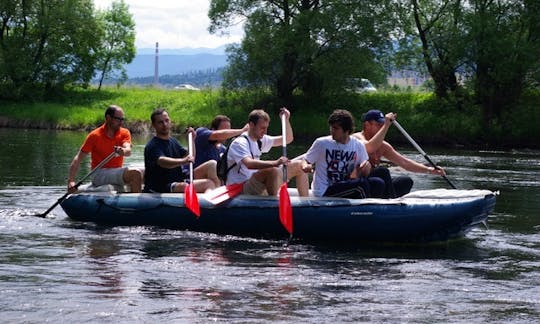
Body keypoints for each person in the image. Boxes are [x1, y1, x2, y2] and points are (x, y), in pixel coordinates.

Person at [353, 109, 447, 198]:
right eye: (379, 124)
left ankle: (390, 200)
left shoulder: (383, 145)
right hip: (361, 182)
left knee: (405, 181)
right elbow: (369, 148)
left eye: (382, 124)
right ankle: (392, 201)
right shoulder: (356, 139)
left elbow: (404, 162)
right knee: (382, 172)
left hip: (376, 184)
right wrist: (386, 125)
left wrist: (429, 170)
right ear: (367, 124)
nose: (381, 127)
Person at [301, 109, 392, 198]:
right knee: (361, 185)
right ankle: (367, 209)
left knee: (379, 179)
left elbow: (364, 169)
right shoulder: (322, 143)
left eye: (336, 128)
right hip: (326, 189)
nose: (332, 131)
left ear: (346, 130)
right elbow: (305, 160)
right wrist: (305, 166)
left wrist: (365, 167)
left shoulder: (358, 145)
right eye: (331, 127)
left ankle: (390, 205)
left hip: (346, 184)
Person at [225, 108, 309, 196]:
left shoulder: (260, 140)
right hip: (241, 187)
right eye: (262, 128)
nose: (265, 131)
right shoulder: (240, 143)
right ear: (251, 125)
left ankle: (305, 203)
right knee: (272, 171)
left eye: (266, 128)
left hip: (256, 183)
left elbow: (288, 139)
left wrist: (286, 120)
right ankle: (273, 204)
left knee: (300, 165)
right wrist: (275, 163)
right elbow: (249, 164)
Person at [68, 105, 143, 193]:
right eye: (118, 119)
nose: (121, 122)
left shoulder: (124, 132)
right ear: (108, 118)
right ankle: (137, 204)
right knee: (135, 173)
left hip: (115, 172)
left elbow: (128, 150)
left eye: (122, 119)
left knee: (145, 172)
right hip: (99, 173)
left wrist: (123, 151)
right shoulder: (94, 135)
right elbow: (78, 158)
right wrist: (71, 181)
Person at [144, 108, 218, 193]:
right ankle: (208, 204)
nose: (165, 124)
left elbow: (190, 156)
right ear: (154, 125)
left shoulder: (173, 141)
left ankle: (216, 196)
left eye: (167, 120)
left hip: (178, 180)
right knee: (208, 184)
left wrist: (192, 140)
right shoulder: (152, 145)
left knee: (212, 164)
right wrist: (183, 161)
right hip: (161, 186)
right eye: (160, 122)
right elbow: (162, 162)